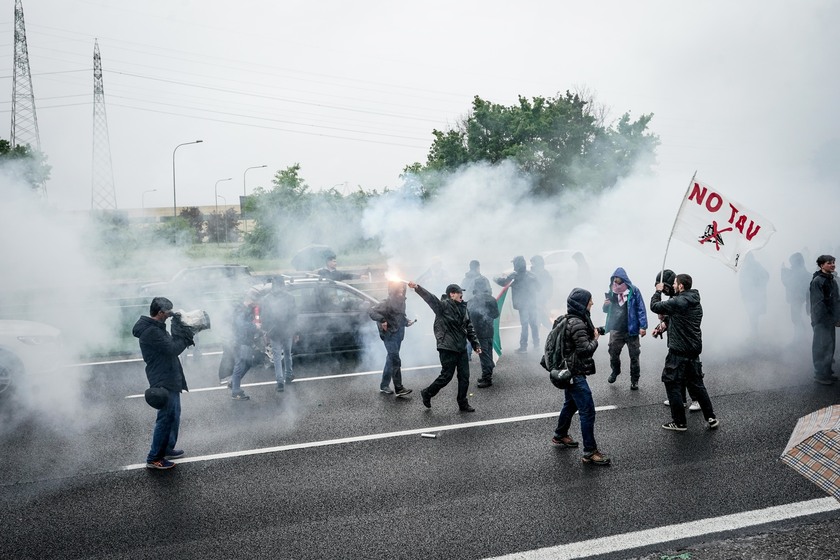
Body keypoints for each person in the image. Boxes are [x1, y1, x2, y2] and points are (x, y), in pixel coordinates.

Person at [650, 274, 719, 432]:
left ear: (681, 286)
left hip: (678, 351)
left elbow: (654, 306)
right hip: (693, 350)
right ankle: (711, 417)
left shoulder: (679, 301)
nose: (673, 285)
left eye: (675, 283)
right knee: (697, 384)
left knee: (672, 382)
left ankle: (679, 422)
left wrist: (657, 292)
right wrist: (665, 320)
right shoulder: (693, 301)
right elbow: (679, 317)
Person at [550, 288, 611, 465]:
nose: (592, 303)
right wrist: (596, 340)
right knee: (587, 411)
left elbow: (581, 336)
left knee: (570, 404)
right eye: (590, 300)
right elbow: (585, 349)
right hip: (574, 373)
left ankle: (560, 435)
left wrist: (598, 331)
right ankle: (590, 452)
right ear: (582, 303)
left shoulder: (573, 319)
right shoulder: (577, 323)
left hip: (568, 371)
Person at [132, 296, 193, 470]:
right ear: (159, 313)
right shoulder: (152, 332)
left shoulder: (157, 327)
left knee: (174, 416)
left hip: (170, 376)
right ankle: (154, 458)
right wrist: (185, 336)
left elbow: (170, 345)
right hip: (163, 379)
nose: (170, 315)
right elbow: (172, 349)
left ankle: (167, 447)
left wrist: (178, 332)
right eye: (168, 312)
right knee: (165, 418)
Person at [409, 281, 481, 412]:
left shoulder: (464, 308)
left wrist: (475, 344)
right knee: (446, 376)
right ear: (451, 294)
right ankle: (427, 393)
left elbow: (469, 327)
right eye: (459, 292)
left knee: (464, 377)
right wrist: (418, 288)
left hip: (461, 347)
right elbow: (430, 298)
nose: (461, 295)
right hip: (447, 347)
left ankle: (463, 403)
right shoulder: (442, 306)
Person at [652, 270, 700, 412]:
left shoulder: (681, 298)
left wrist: (657, 294)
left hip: (687, 340)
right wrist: (660, 327)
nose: (666, 290)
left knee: (691, 374)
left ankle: (696, 400)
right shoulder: (675, 297)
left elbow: (656, 307)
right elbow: (672, 319)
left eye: (668, 286)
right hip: (678, 340)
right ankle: (680, 400)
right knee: (679, 374)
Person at [602, 267, 648, 390]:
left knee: (634, 356)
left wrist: (643, 326)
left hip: (631, 329)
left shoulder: (633, 290)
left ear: (624, 280)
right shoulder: (611, 291)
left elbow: (641, 308)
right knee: (613, 353)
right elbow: (606, 310)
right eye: (614, 281)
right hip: (616, 329)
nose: (616, 284)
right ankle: (615, 371)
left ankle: (634, 380)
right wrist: (605, 305)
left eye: (618, 281)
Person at [368, 281, 416, 397]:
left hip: (398, 335)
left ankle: (384, 385)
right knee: (395, 360)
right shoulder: (387, 302)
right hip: (389, 335)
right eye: (399, 289)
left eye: (402, 289)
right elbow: (371, 311)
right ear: (393, 290)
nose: (401, 291)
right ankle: (399, 388)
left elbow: (400, 316)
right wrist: (382, 320)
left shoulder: (402, 302)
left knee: (390, 359)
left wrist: (407, 322)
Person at [495, 255, 541, 353]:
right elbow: (539, 287)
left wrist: (495, 278)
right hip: (532, 303)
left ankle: (523, 347)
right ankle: (537, 345)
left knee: (524, 324)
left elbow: (503, 283)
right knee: (533, 323)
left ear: (516, 264)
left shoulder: (514, 276)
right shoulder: (532, 275)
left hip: (522, 304)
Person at [260, 279, 298, 392]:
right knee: (287, 354)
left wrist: (266, 332)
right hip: (287, 330)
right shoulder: (290, 297)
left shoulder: (266, 299)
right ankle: (288, 375)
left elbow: (264, 317)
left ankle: (280, 382)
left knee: (276, 357)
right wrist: (296, 332)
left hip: (274, 332)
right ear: (282, 285)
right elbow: (293, 316)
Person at [809, 255, 840, 385]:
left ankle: (826, 372)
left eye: (833, 262)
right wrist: (825, 319)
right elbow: (818, 304)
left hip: (830, 319)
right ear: (822, 265)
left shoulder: (832, 280)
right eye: (829, 263)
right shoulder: (818, 281)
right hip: (821, 320)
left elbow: (837, 301)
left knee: (830, 346)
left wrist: (837, 318)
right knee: (821, 346)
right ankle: (820, 375)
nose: (833, 265)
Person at [229, 288, 263, 400]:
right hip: (239, 341)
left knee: (248, 363)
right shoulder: (242, 309)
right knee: (240, 364)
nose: (257, 303)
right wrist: (255, 327)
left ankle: (234, 383)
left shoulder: (247, 309)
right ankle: (236, 392)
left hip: (245, 340)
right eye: (255, 301)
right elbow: (241, 325)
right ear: (250, 300)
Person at [468, 276, 500, 388]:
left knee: (484, 355)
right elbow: (496, 314)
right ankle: (487, 374)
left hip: (480, 333)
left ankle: (487, 378)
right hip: (490, 331)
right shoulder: (491, 299)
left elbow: (470, 316)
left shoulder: (473, 301)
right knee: (488, 354)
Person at [781, 252, 812, 334]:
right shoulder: (800, 271)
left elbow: (788, 282)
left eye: (792, 263)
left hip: (798, 297)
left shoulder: (799, 272)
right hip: (799, 297)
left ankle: (801, 337)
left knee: (796, 318)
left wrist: (783, 271)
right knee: (796, 318)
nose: (791, 265)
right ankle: (800, 337)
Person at [739, 252, 769, 334]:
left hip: (754, 296)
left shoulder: (755, 266)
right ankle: (754, 334)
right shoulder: (746, 267)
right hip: (750, 296)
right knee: (752, 316)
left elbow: (766, 276)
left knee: (753, 316)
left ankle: (754, 336)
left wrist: (756, 286)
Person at [530, 254, 554, 328]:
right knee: (539, 319)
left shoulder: (543, 274)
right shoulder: (533, 273)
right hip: (533, 300)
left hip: (539, 300)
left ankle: (553, 333)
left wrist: (545, 298)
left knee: (539, 319)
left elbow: (548, 287)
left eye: (533, 263)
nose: (532, 265)